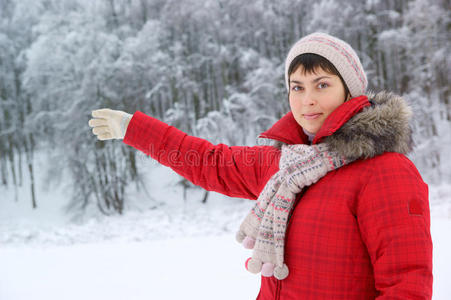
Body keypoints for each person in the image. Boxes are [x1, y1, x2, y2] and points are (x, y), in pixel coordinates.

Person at [88, 32, 433, 299]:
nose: (307, 99)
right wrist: (135, 130)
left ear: (351, 91)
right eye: (296, 87)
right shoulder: (284, 168)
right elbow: (210, 162)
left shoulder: (385, 171)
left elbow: (407, 282)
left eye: (322, 85)